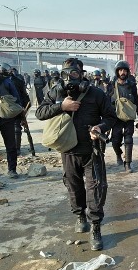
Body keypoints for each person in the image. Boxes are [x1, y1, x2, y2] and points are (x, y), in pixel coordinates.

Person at [35, 58, 116, 251]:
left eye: (74, 73)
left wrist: (99, 127)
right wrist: (61, 106)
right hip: (68, 149)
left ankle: (95, 226)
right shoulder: (56, 92)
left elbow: (111, 116)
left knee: (95, 187)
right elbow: (40, 112)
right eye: (66, 73)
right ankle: (80, 215)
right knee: (73, 186)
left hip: (92, 150)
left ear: (82, 74)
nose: (69, 78)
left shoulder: (96, 93)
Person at [110, 60, 138, 172]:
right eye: (120, 70)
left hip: (129, 117)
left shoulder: (132, 86)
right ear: (117, 72)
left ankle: (127, 163)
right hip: (116, 118)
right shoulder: (112, 86)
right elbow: (105, 103)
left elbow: (136, 103)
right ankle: (118, 154)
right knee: (115, 141)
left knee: (128, 140)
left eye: (124, 70)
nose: (122, 72)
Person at [0, 63, 22, 178]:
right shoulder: (7, 81)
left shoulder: (6, 82)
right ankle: (12, 170)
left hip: (6, 117)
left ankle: (12, 169)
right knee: (10, 144)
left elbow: (16, 98)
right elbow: (17, 98)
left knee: (10, 145)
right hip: (7, 117)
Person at [8, 65, 31, 156]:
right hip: (13, 109)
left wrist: (24, 110)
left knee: (16, 129)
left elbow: (24, 97)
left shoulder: (18, 81)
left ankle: (16, 149)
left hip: (15, 108)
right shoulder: (18, 81)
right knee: (15, 129)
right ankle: (15, 149)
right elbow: (25, 97)